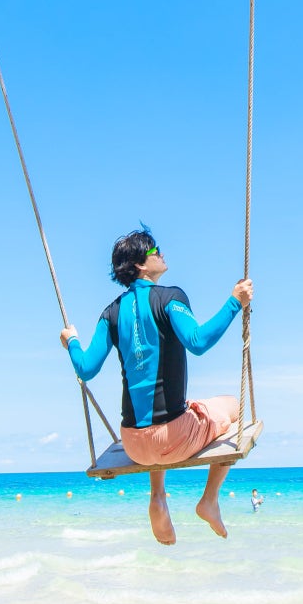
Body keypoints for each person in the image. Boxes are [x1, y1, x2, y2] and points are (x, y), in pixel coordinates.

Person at [61, 229, 252, 545]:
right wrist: (235, 302)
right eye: (155, 250)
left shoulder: (110, 313)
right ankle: (209, 500)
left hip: (133, 443)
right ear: (140, 264)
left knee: (176, 407)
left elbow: (86, 368)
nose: (162, 253)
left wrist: (72, 342)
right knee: (232, 407)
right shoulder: (170, 297)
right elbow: (198, 341)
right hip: (172, 439)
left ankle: (158, 497)